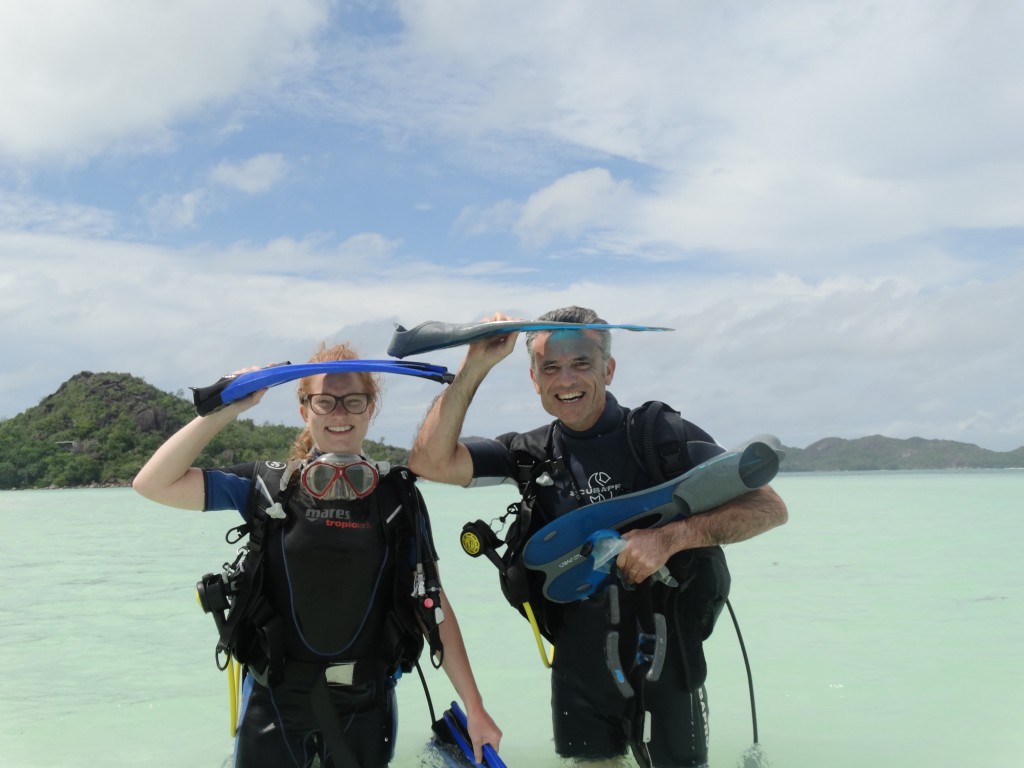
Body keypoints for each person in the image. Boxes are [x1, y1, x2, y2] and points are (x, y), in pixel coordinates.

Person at [409, 307, 788, 768]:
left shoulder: (663, 438)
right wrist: (475, 365)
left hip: (668, 666)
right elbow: (430, 462)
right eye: (550, 367)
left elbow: (769, 507)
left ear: (608, 369)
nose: (565, 379)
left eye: (581, 363)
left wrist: (672, 537)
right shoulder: (528, 455)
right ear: (533, 379)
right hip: (580, 673)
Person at [133, 342, 502, 768]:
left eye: (353, 401)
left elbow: (433, 605)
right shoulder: (269, 486)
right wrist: (228, 407)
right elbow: (152, 484)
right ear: (305, 408)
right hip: (272, 701)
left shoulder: (397, 494)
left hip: (366, 705)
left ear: (371, 407)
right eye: (325, 401)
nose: (340, 413)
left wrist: (474, 707)